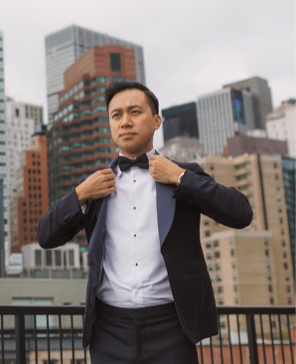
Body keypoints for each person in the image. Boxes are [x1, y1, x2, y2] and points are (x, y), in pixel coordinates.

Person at [38, 81, 252, 363]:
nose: (125, 121)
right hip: (109, 330)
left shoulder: (184, 174)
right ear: (110, 125)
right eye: (116, 115)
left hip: (171, 328)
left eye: (134, 112)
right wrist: (80, 194)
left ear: (156, 121)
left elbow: (240, 214)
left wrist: (180, 178)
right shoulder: (93, 185)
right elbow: (46, 236)